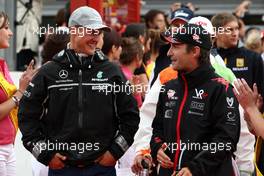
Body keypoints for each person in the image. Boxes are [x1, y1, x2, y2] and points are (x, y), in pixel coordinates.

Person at [18, 6, 139, 176]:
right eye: (91, 32)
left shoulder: (112, 72)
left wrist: (114, 153)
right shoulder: (49, 72)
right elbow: (26, 116)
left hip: (102, 168)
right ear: (74, 31)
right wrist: (45, 154)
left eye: (99, 32)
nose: (96, 38)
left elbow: (131, 117)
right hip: (61, 169)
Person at [149, 23, 240, 175]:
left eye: (176, 46)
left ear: (195, 51)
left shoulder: (221, 89)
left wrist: (194, 168)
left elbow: (226, 141)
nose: (169, 53)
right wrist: (156, 148)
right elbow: (157, 130)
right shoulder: (168, 87)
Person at [0, 11, 37, 176]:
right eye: (6, 28)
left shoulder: (3, 65)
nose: (11, 32)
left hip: (8, 145)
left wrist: (26, 86)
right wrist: (20, 91)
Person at [211, 13, 264, 100]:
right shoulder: (208, 59)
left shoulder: (253, 58)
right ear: (216, 33)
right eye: (230, 30)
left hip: (246, 111)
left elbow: (261, 92)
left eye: (237, 29)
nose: (235, 33)